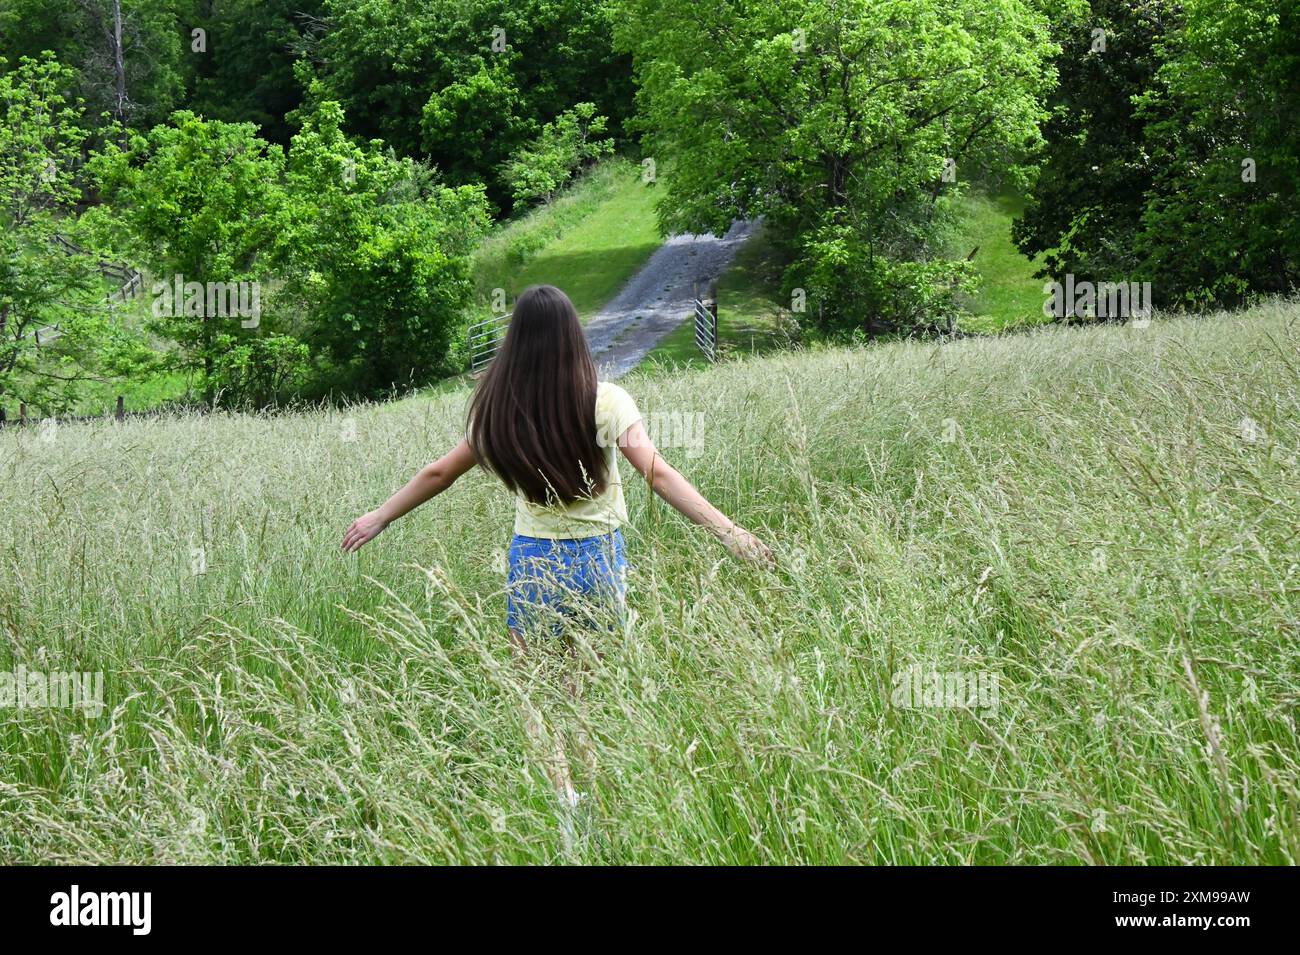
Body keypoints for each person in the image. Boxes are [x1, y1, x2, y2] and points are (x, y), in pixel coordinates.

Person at [342, 284, 772, 803]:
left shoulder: (499, 406)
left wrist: (380, 516)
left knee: (533, 692)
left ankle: (565, 800)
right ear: (573, 335)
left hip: (533, 561)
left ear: (515, 340)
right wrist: (731, 533)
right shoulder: (607, 400)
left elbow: (439, 474)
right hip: (598, 559)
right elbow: (659, 475)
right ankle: (591, 799)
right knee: (583, 694)